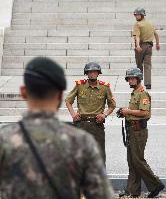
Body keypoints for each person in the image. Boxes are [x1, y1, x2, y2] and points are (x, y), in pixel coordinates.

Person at [0, 57, 114, 199]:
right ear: (60, 95)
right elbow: (101, 195)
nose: (92, 74)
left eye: (94, 72)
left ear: (24, 92)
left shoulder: (4, 138)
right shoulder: (80, 142)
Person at [118, 68, 165, 198]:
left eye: (132, 78)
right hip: (132, 129)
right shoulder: (135, 93)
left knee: (138, 160)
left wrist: (128, 112)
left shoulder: (143, 93)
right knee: (132, 161)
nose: (130, 81)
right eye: (129, 79)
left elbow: (145, 113)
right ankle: (132, 191)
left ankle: (156, 185)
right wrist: (124, 113)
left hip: (139, 131)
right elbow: (135, 112)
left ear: (138, 79)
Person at [65, 62, 116, 163]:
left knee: (99, 153)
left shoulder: (104, 87)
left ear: (98, 73)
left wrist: (104, 114)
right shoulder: (80, 86)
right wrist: (73, 114)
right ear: (86, 74)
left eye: (94, 72)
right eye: (90, 72)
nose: (92, 74)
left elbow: (112, 105)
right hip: (81, 124)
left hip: (97, 124)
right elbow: (68, 101)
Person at [133, 8, 160, 89]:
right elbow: (156, 34)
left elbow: (137, 36)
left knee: (139, 65)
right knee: (147, 65)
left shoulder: (138, 24)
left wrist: (137, 45)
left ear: (141, 15)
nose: (136, 16)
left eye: (137, 15)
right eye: (135, 15)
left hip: (141, 46)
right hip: (149, 47)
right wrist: (157, 44)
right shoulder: (150, 24)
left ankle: (138, 82)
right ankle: (148, 84)